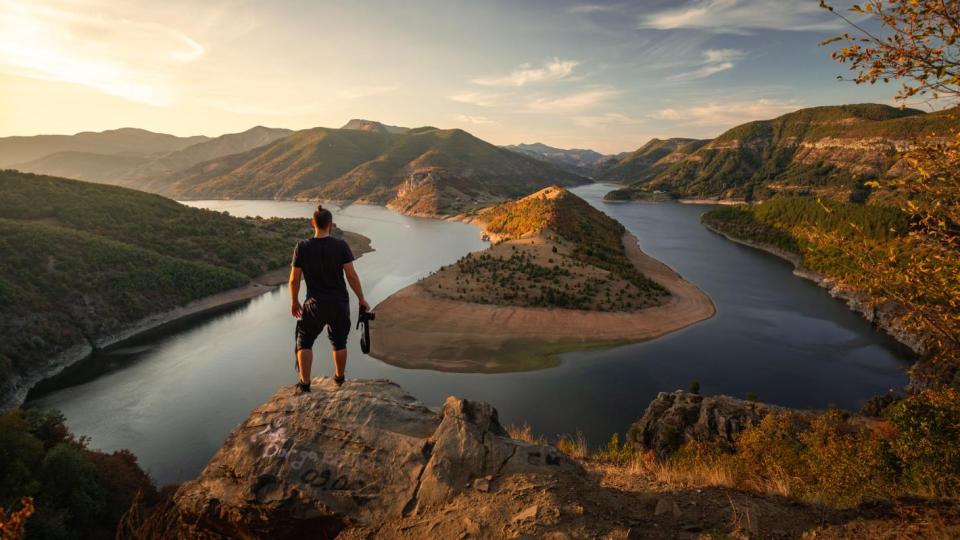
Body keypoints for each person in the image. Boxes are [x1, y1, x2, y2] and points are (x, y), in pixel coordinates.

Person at [288, 205, 368, 392]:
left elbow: (294, 279)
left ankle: (305, 383)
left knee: (304, 341)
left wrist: (294, 301)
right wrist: (361, 298)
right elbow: (351, 275)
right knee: (339, 342)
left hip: (314, 304)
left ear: (312, 223)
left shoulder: (302, 247)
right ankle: (339, 379)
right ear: (330, 225)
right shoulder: (341, 245)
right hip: (339, 303)